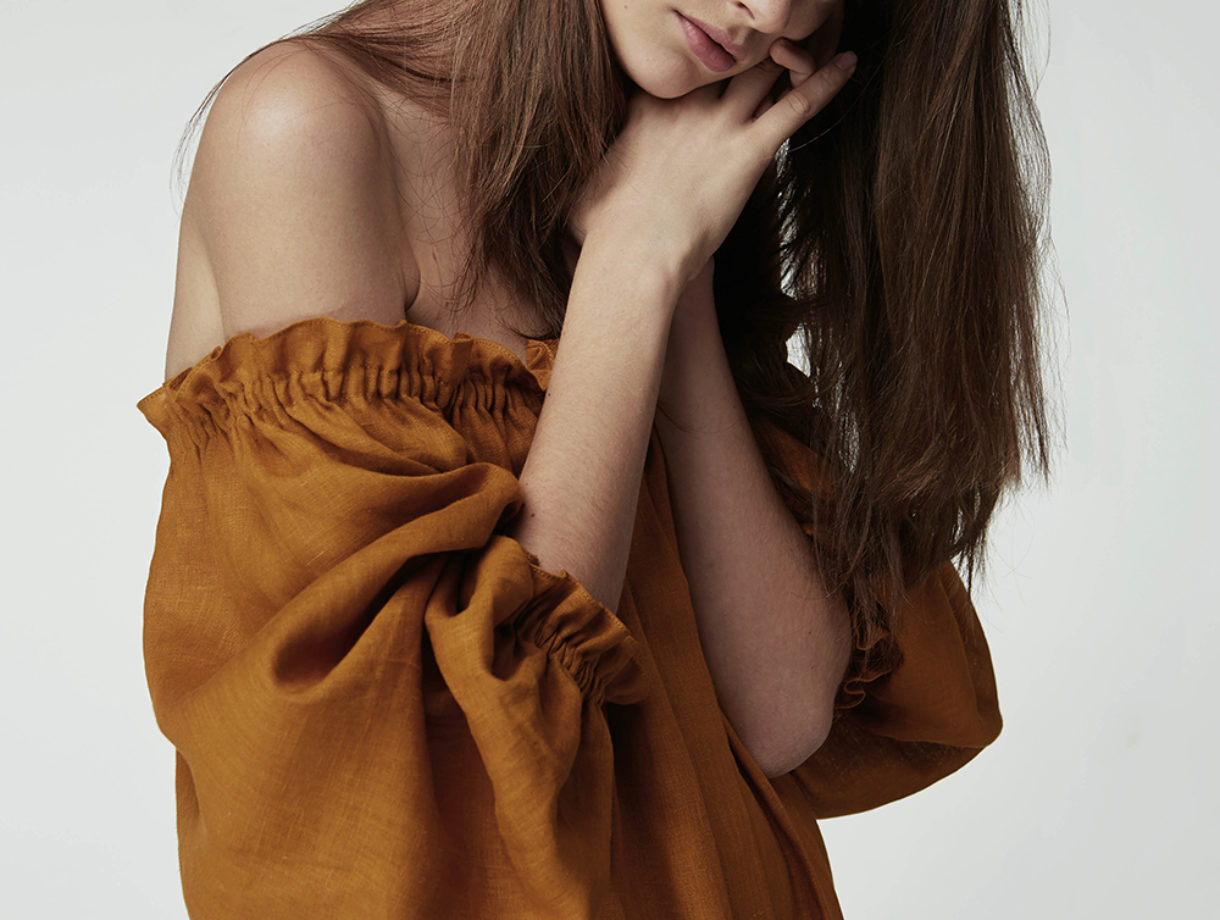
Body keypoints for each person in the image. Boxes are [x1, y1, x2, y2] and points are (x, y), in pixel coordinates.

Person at [138, 0, 1052, 916]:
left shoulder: (669, 161)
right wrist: (629, 263)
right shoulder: (307, 130)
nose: (773, 10)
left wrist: (670, 268)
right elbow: (444, 757)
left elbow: (780, 714)